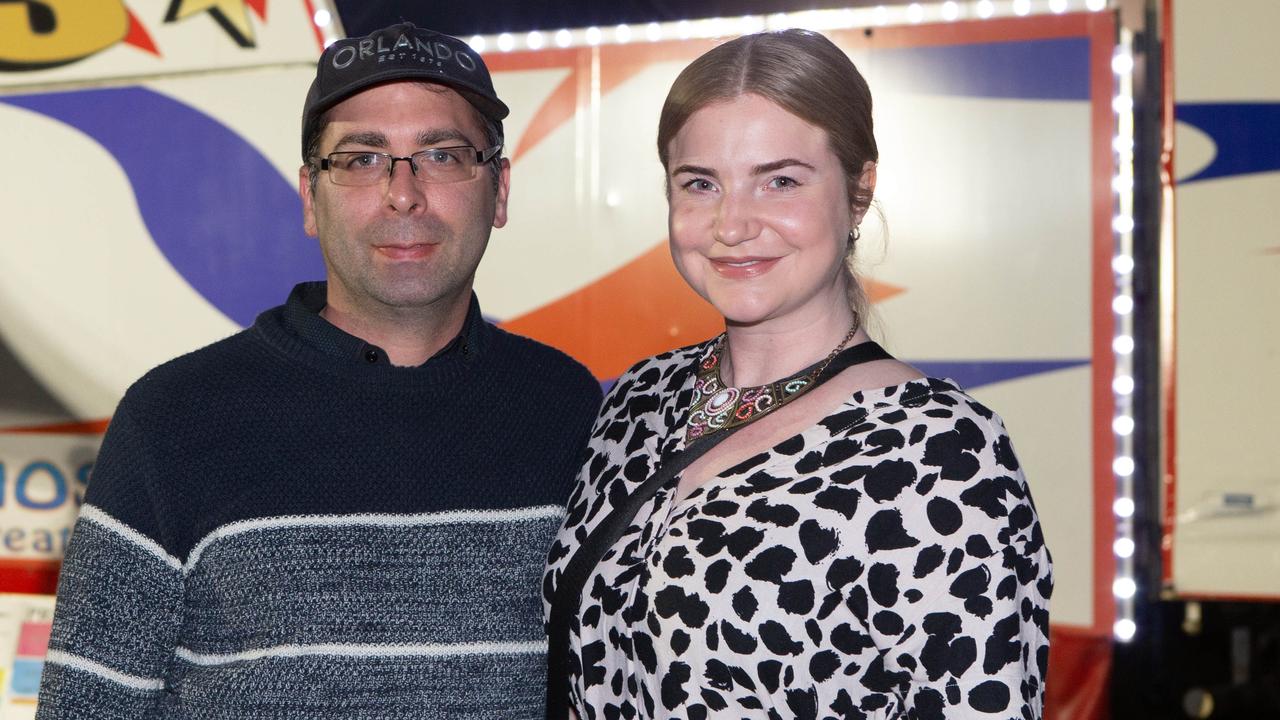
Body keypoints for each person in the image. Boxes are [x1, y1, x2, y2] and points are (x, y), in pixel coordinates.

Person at [36, 22, 602, 720]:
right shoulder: (173, 418)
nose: (403, 194)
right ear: (310, 197)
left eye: (444, 155)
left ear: (501, 189)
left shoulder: (569, 409)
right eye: (362, 159)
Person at [544, 29, 1052, 720]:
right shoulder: (639, 400)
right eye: (700, 184)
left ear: (859, 190)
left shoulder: (935, 450)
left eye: (779, 180)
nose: (731, 224)